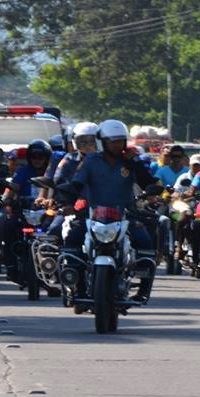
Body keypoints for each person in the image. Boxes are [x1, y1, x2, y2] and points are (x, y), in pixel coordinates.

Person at [66, 120, 160, 302]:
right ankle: (77, 286)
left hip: (125, 214)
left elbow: (146, 182)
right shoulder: (91, 161)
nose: (117, 145)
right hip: (93, 214)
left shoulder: (130, 161)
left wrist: (137, 164)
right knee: (72, 238)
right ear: (102, 141)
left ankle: (142, 290)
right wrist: (68, 200)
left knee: (145, 241)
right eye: (112, 141)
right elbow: (77, 183)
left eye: (120, 141)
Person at [0, 140, 52, 281]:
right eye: (33, 156)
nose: (37, 160)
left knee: (56, 231)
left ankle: (55, 269)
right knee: (8, 226)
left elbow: (58, 189)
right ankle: (11, 266)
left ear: (47, 157)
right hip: (24, 212)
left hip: (46, 214)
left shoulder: (52, 173)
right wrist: (6, 199)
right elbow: (14, 188)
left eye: (41, 156)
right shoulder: (23, 171)